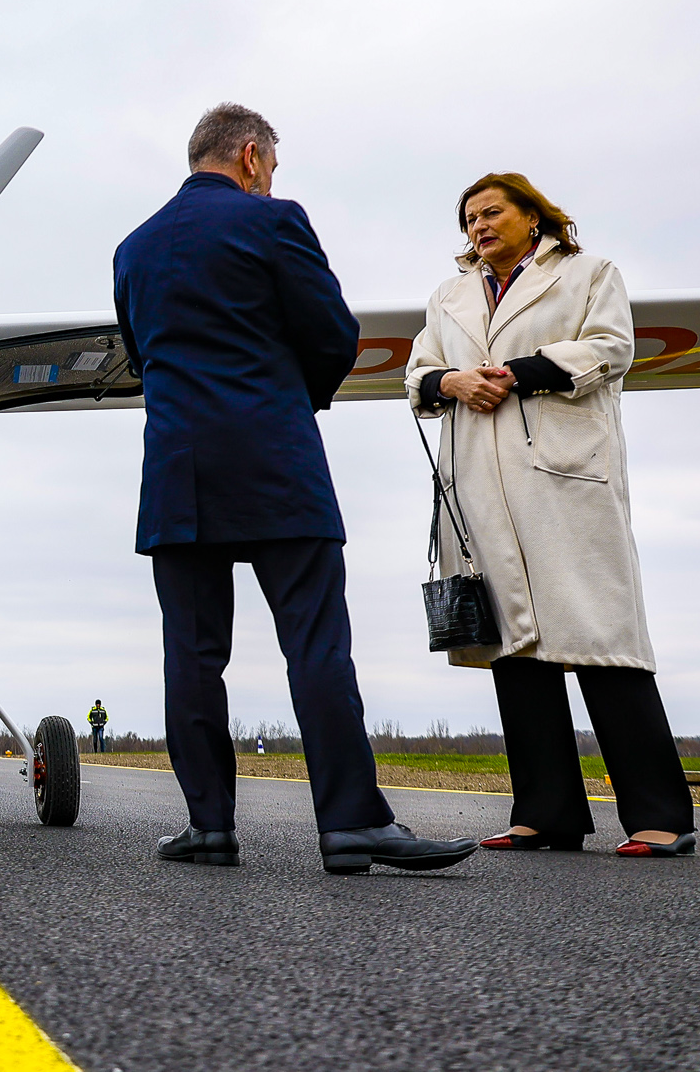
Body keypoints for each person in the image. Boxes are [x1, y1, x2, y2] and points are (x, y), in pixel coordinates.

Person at [113, 103, 478, 875]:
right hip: (276, 461)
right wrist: (288, 394)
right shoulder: (274, 223)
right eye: (271, 167)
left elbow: (142, 355)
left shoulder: (132, 250)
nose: (270, 179)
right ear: (251, 157)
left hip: (177, 473)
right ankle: (349, 823)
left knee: (192, 654)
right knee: (314, 645)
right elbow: (333, 335)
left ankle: (208, 825)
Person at [406, 174, 696, 857]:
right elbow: (418, 373)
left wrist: (517, 370)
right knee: (513, 647)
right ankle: (547, 811)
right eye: (469, 218)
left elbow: (610, 347)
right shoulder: (448, 296)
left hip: (565, 481)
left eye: (491, 212)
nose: (478, 226)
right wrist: (451, 380)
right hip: (478, 485)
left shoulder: (590, 274)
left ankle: (660, 814)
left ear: (533, 216)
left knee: (603, 638)